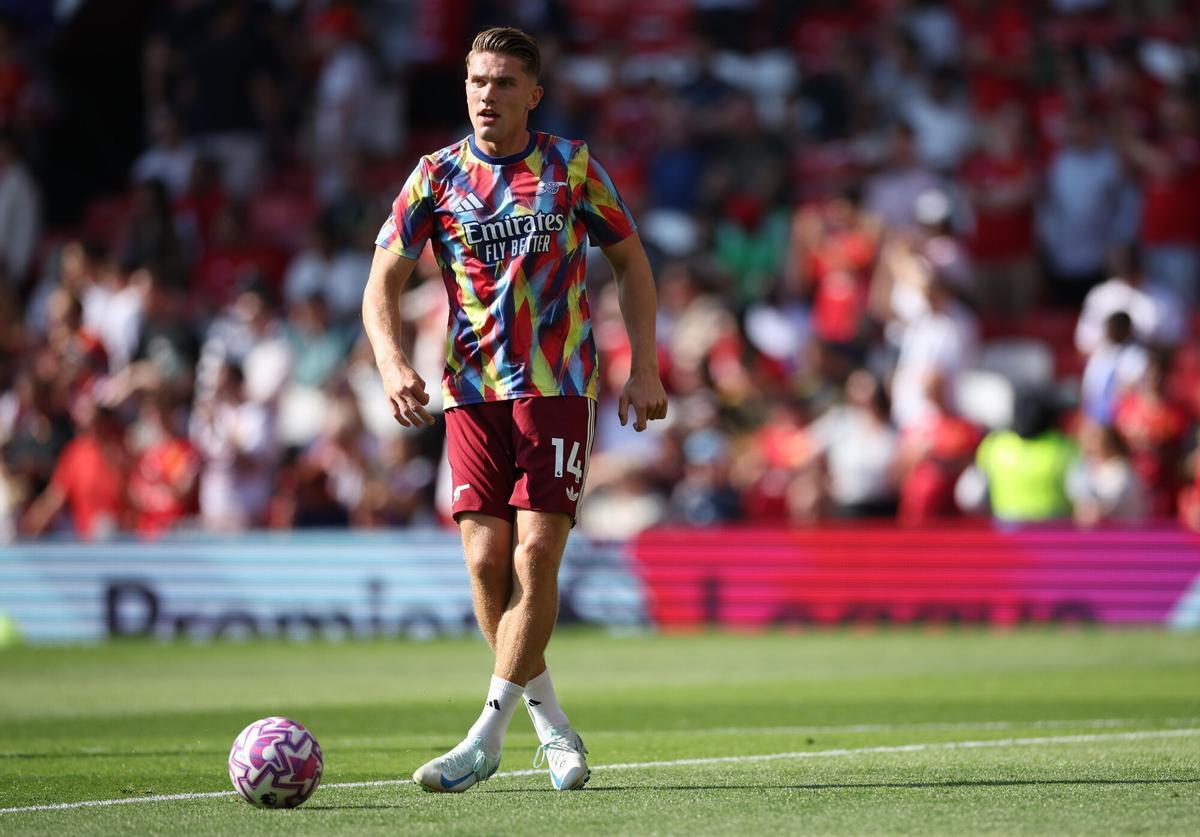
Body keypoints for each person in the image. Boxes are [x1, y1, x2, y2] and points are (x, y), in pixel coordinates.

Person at [361, 27, 667, 793]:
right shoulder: (434, 176)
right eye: (475, 82)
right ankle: (551, 723)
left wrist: (647, 365)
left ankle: (482, 733)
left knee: (535, 554)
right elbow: (381, 283)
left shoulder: (572, 167)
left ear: (534, 92)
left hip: (558, 387)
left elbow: (630, 258)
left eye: (502, 82)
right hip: (469, 393)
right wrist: (393, 361)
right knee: (484, 563)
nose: (486, 95)